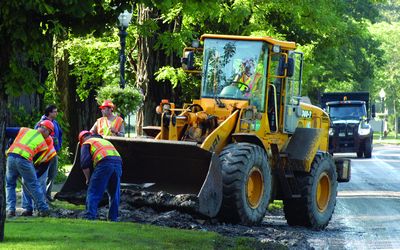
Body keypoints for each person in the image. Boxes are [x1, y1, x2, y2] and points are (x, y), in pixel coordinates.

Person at [5, 121, 53, 217]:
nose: (49, 136)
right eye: (50, 133)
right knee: (34, 184)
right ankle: (43, 209)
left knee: (10, 185)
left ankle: (10, 210)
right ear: (46, 130)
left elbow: (5, 131)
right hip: (24, 159)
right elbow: (35, 161)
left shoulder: (24, 130)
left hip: (11, 157)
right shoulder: (43, 143)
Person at [78, 130, 122, 221]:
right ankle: (113, 218)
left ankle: (90, 216)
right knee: (114, 193)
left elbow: (84, 164)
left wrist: (88, 179)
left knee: (93, 191)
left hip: (104, 163)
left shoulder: (87, 143)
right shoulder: (105, 141)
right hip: (118, 163)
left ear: (82, 139)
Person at [21, 132, 57, 216]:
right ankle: (28, 208)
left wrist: (35, 176)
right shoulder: (33, 140)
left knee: (40, 184)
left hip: (42, 165)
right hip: (29, 162)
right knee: (26, 183)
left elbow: (44, 167)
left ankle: (40, 208)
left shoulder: (48, 149)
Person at [35, 104, 63, 202]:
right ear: (49, 112)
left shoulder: (55, 123)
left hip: (53, 152)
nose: (56, 113)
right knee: (43, 175)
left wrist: (58, 146)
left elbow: (60, 134)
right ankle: (40, 196)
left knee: (52, 174)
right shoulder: (41, 123)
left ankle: (47, 194)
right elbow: (36, 136)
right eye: (55, 111)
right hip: (43, 154)